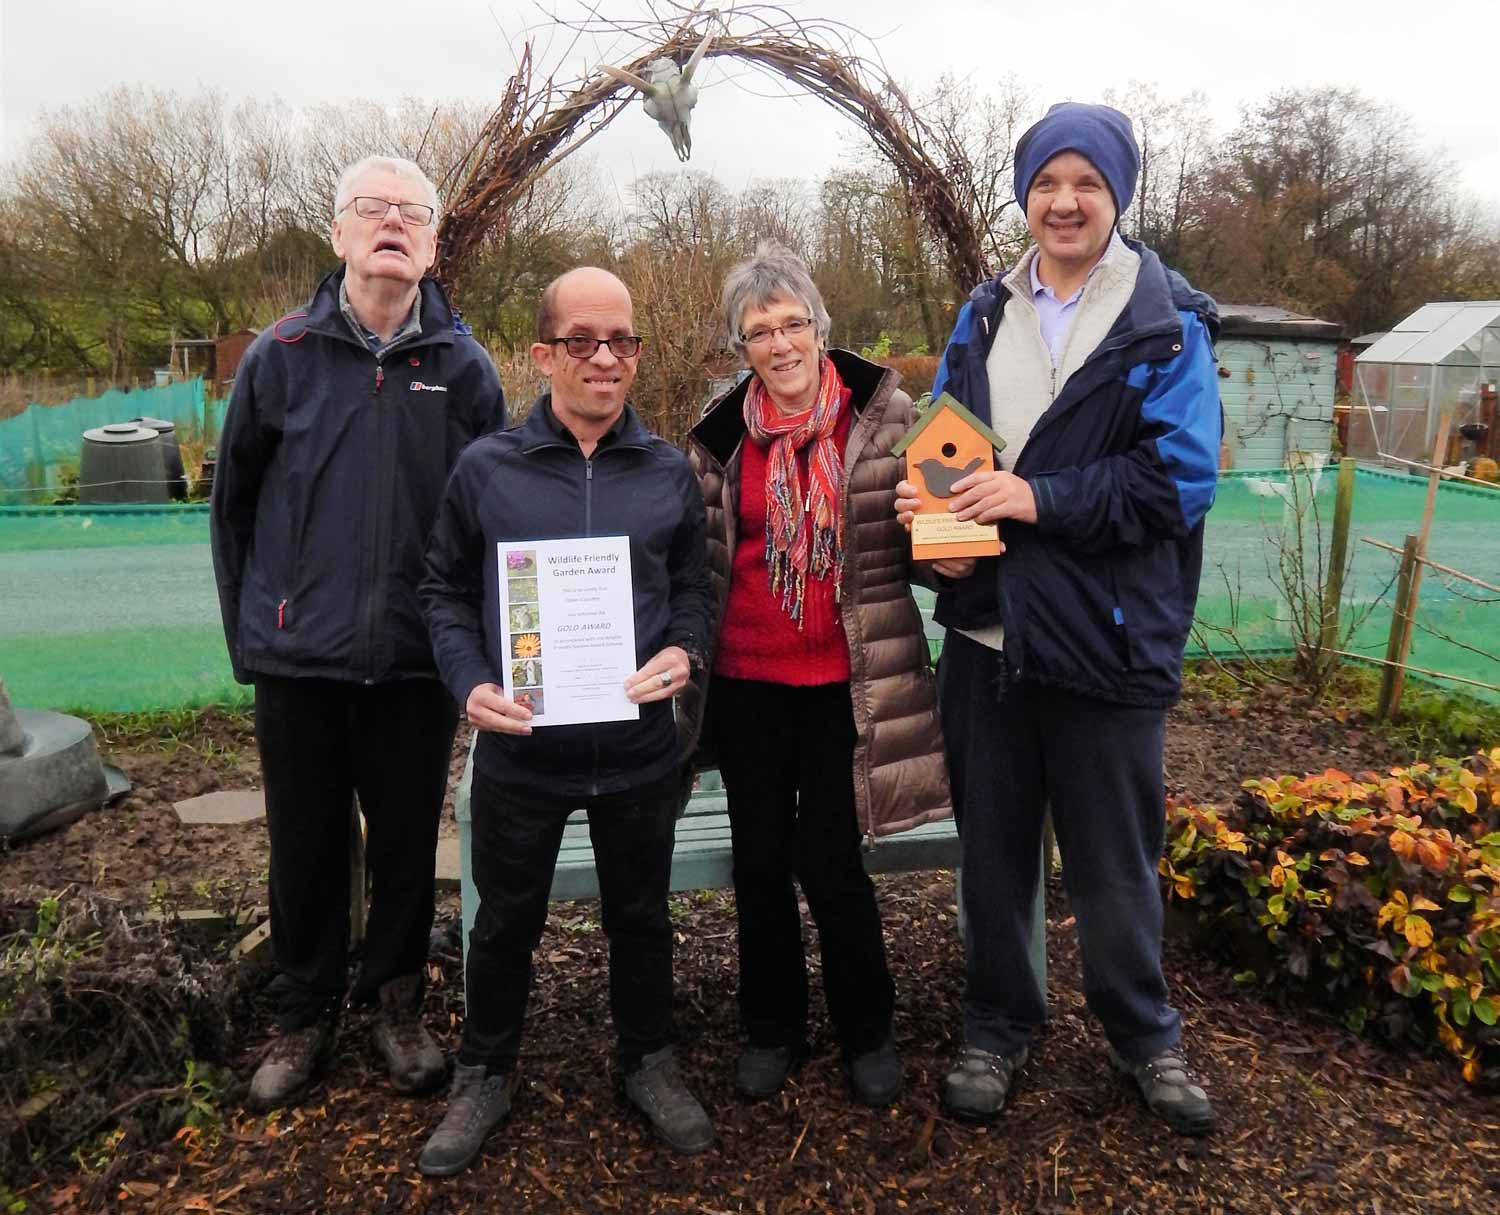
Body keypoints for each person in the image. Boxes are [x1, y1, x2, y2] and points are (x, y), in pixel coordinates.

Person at [895, 103, 1222, 1134]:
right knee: (993, 852)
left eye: (1086, 182)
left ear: (1117, 196)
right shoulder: (985, 312)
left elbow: (1180, 480)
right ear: (1025, 195)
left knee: (1114, 859)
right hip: (990, 642)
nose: (1065, 200)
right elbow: (953, 448)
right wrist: (927, 509)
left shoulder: (1164, 323)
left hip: (1109, 641)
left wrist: (1039, 499)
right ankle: (997, 1025)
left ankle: (1144, 1037)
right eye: (1046, 182)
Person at [210, 155, 506, 1110]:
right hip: (299, 660)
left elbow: (485, 521)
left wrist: (472, 647)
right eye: (370, 210)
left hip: (416, 662)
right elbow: (234, 509)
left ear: (430, 243)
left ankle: (396, 1001)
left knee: (409, 840)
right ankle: (302, 1013)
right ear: (337, 234)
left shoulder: (464, 371)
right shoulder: (281, 355)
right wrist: (254, 638)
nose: (390, 224)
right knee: (302, 841)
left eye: (410, 214)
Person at [417, 267, 715, 1176]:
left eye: (622, 340)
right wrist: (468, 681)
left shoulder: (667, 472)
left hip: (634, 753)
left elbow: (696, 591)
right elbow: (441, 591)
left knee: (642, 918)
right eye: (583, 340)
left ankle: (648, 1059)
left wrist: (685, 652)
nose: (605, 359)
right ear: (543, 353)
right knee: (505, 923)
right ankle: (485, 1069)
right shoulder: (487, 470)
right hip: (522, 752)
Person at [680, 242, 951, 1107]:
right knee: (758, 862)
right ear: (742, 346)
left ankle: (868, 1031)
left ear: (821, 328)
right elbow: (695, 559)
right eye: (760, 330)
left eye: (793, 322)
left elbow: (938, 558)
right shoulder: (720, 439)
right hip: (748, 685)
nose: (780, 342)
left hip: (850, 685)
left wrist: (943, 535)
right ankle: (771, 1027)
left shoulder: (888, 421)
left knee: (833, 863)